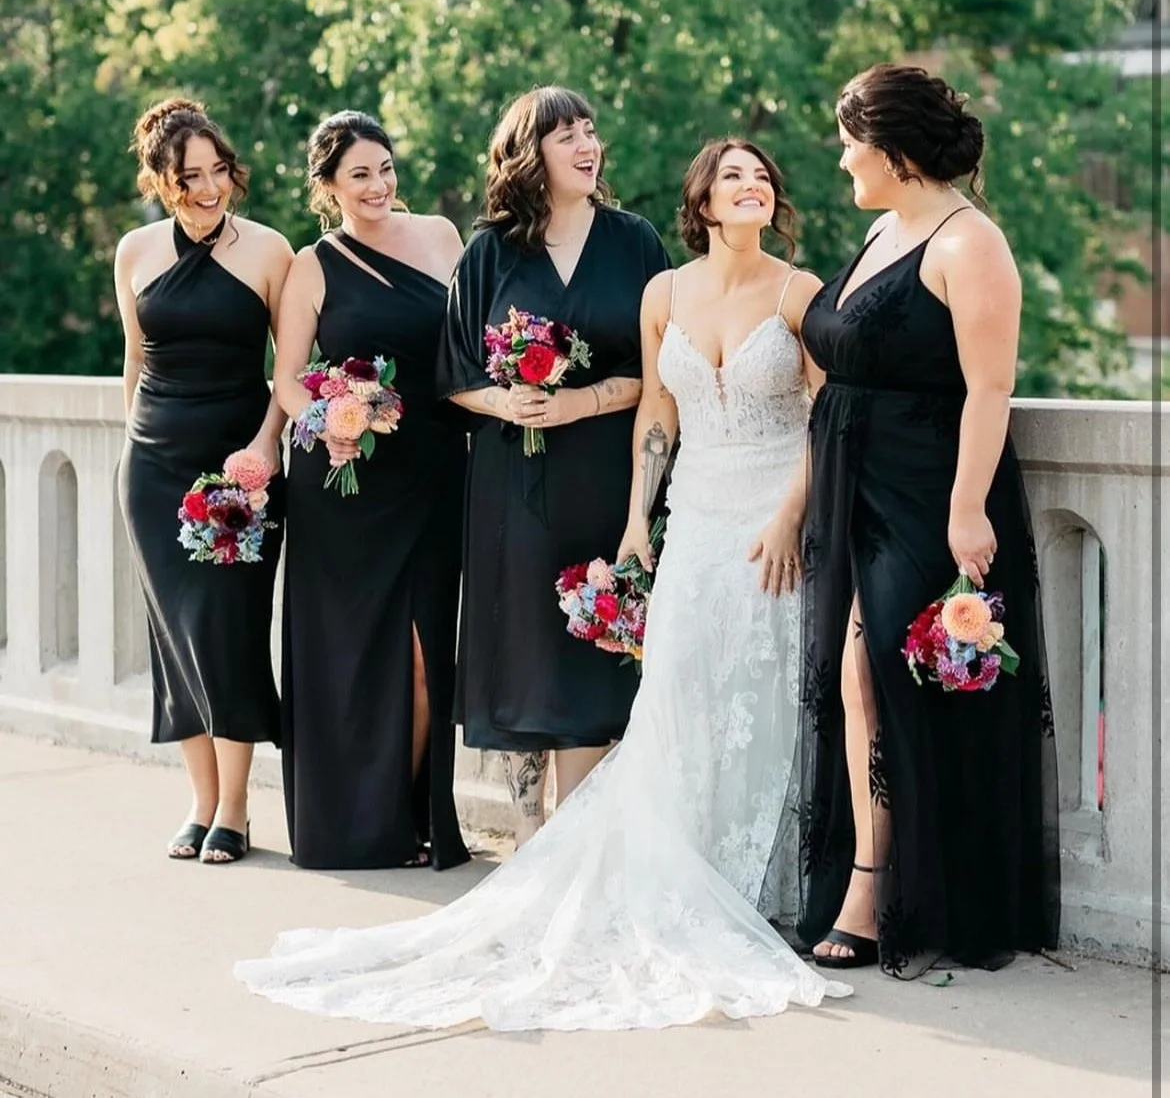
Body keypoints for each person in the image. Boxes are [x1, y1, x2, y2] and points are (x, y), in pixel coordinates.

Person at [235, 137, 848, 1030]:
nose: (751, 186)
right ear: (703, 203)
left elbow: (821, 414)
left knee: (765, 694)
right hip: (657, 509)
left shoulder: (777, 286)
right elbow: (654, 411)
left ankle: (782, 883)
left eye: (763, 175)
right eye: (731, 177)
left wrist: (787, 514)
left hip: (761, 515)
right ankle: (621, 862)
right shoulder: (604, 275)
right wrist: (639, 519)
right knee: (676, 700)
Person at [774, 63, 1060, 976]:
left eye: (850, 137)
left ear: (893, 151)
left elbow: (992, 386)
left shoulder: (969, 242)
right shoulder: (882, 228)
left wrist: (969, 508)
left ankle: (876, 890)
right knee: (860, 683)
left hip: (927, 493)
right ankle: (874, 881)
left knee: (879, 678)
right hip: (852, 485)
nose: (841, 153)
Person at [437, 85, 670, 844]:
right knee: (525, 644)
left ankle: (580, 842)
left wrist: (579, 403)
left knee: (596, 647)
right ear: (528, 153)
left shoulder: (637, 244)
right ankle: (531, 845)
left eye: (590, 129)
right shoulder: (490, 252)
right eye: (565, 133)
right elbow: (455, 373)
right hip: (513, 485)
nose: (585, 144)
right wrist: (506, 403)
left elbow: (660, 372)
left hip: (605, 477)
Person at [273, 111, 470, 871]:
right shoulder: (311, 264)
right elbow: (286, 378)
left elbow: (464, 348)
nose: (378, 184)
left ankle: (413, 811)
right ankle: (354, 825)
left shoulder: (443, 237)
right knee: (348, 658)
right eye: (359, 174)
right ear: (329, 186)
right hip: (345, 484)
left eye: (385, 168)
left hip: (432, 470)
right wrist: (326, 420)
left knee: (424, 654)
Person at [114, 98, 292, 865]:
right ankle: (200, 799)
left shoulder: (270, 251)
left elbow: (289, 373)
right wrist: (134, 445)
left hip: (239, 468)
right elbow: (134, 361)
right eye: (191, 176)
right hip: (151, 466)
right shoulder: (134, 251)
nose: (211, 186)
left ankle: (239, 807)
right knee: (176, 640)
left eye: (219, 169)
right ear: (162, 180)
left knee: (230, 630)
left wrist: (264, 452)